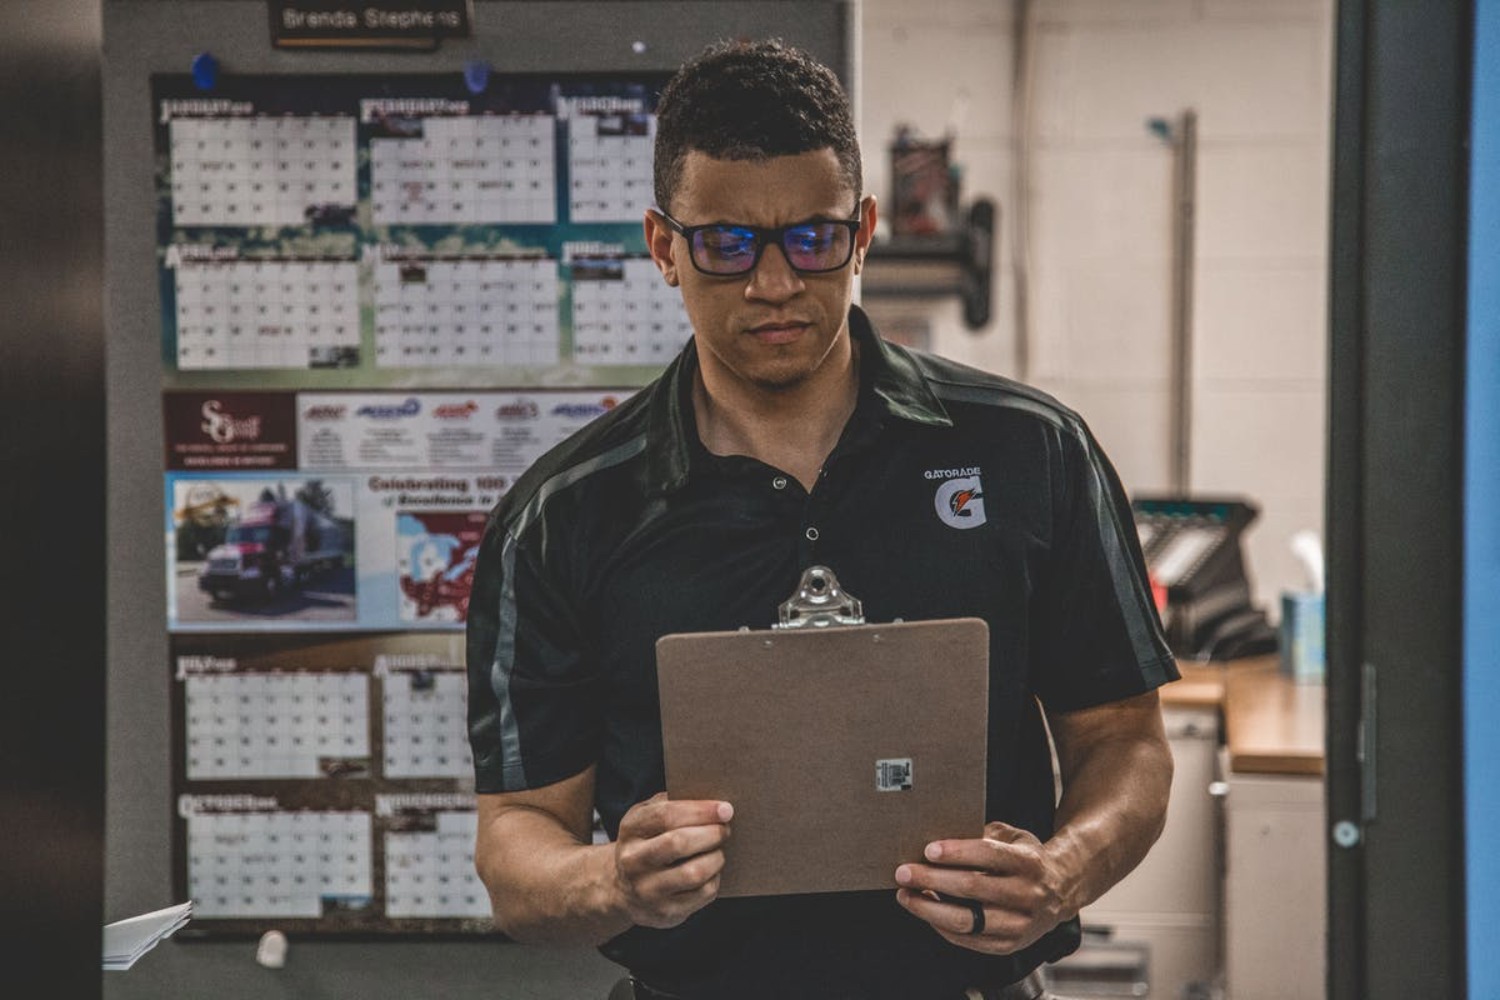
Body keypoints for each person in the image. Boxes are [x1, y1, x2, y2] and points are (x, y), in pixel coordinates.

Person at [466, 39, 1178, 1000]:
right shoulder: (564, 515)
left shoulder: (1031, 453)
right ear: (663, 247)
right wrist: (614, 878)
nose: (774, 284)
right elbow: (517, 840)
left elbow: (1125, 743)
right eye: (726, 244)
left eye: (812, 238)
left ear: (865, 231)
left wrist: (1061, 875)